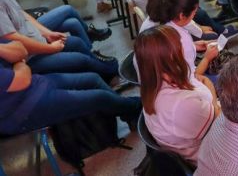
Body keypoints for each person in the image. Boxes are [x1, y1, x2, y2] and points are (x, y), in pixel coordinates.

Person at [0, 41, 141, 136]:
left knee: (92, 79)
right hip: (23, 111)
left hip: (36, 84)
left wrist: (18, 64)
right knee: (100, 97)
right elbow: (22, 79)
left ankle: (126, 110)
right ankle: (137, 106)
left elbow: (20, 50)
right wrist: (19, 64)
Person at [135, 25, 220, 163]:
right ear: (169, 58)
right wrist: (213, 99)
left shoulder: (153, 83)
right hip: (209, 157)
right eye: (179, 45)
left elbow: (198, 78)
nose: (183, 48)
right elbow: (220, 120)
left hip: (197, 135)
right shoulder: (181, 104)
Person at [142, 0, 219, 78]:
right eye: (194, 12)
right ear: (182, 15)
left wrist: (194, 45)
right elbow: (191, 77)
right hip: (175, 84)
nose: (194, 15)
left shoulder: (163, 18)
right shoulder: (177, 38)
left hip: (153, 78)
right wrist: (207, 58)